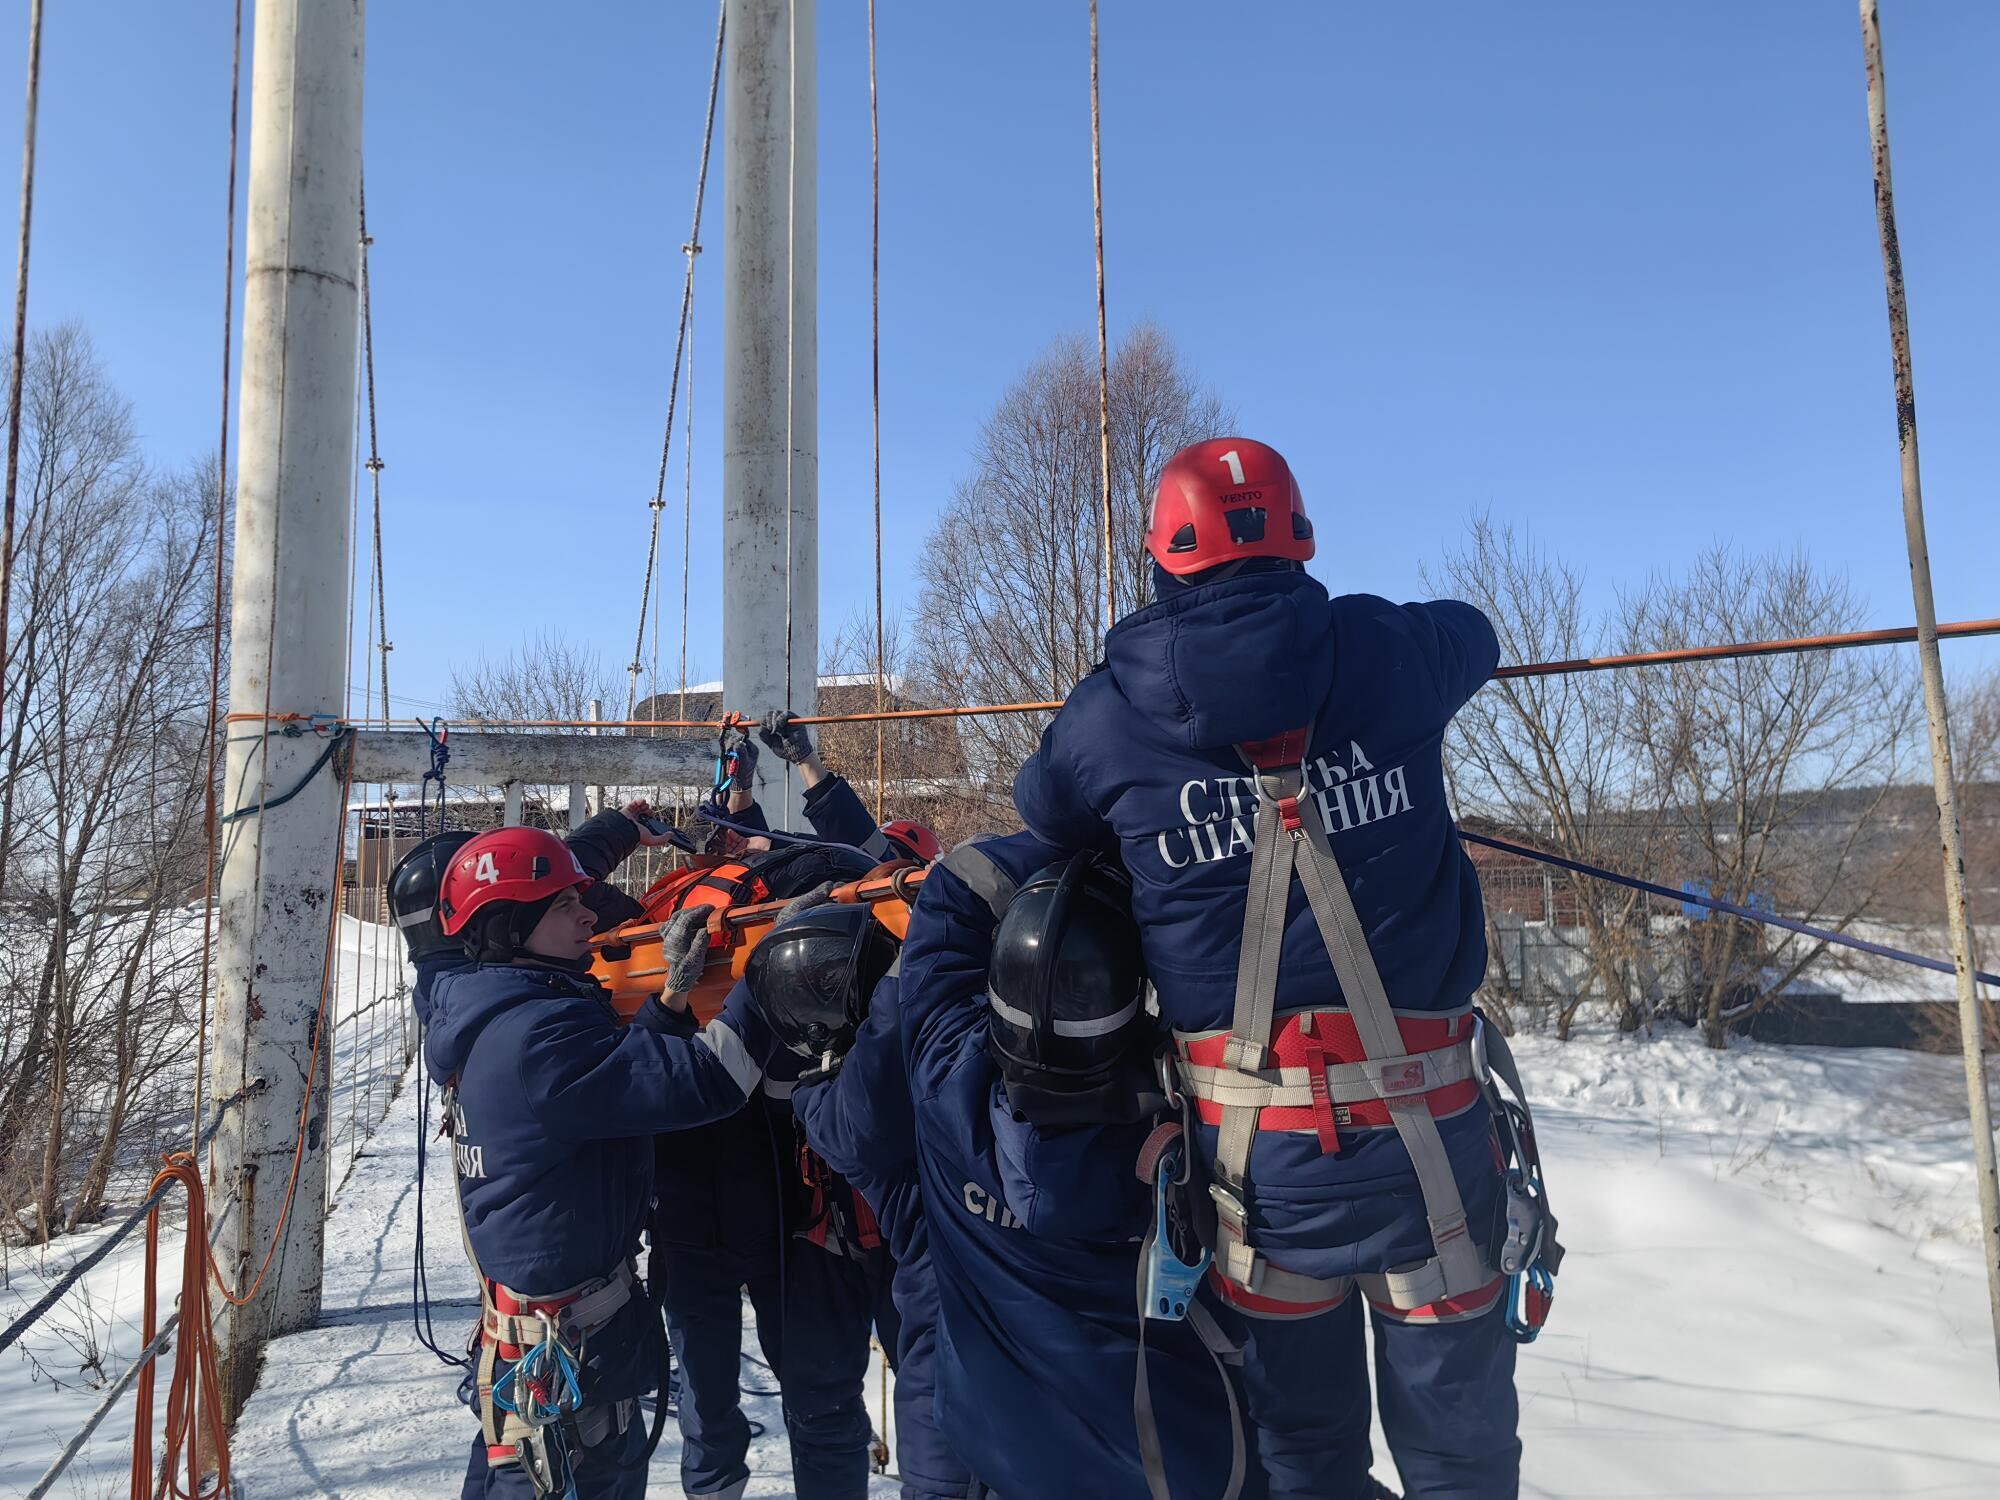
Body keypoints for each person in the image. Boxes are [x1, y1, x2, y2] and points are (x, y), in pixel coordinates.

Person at [1012, 437, 1534, 1499]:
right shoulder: (1386, 650)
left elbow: (1043, 809)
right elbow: (1476, 633)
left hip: (1259, 1177)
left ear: (1163, 557)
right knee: (1460, 1463)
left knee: (1305, 1463)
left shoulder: (1108, 715)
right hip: (1433, 1149)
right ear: (1299, 541)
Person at [887, 831, 1266, 1498]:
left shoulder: (942, 1073)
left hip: (1003, 1458)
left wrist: (1084, 837)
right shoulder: (1201, 1126)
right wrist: (1140, 848)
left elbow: (953, 893)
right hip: (1182, 1467)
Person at [423, 825, 781, 1499]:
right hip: (563, 1376)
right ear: (509, 925)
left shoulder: (500, 1013)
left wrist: (671, 1003)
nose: (589, 914)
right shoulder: (538, 1037)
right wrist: (772, 969)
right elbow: (711, 1081)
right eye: (564, 905)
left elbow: (605, 1087)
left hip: (557, 1352)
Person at [745, 901, 974, 1500]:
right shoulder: (787, 1038)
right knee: (819, 1405)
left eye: (826, 976)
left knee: (945, 1407)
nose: (813, 992)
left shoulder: (915, 1025)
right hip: (822, 1240)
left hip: (917, 1247)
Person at [758, 710, 944, 863]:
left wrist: (804, 758)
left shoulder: (895, 885)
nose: (882, 855)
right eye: (887, 846)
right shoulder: (833, 863)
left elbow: (859, 843)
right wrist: (743, 793)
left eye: (890, 850)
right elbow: (758, 850)